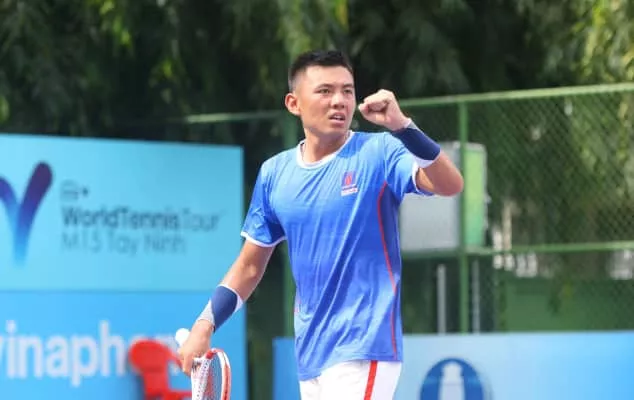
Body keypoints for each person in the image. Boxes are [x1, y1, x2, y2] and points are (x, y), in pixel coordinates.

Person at [178, 49, 464, 399]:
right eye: (325, 91)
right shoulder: (275, 174)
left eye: (347, 91)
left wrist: (403, 127)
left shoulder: (380, 152)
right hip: (311, 356)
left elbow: (450, 184)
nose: (339, 101)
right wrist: (205, 324)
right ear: (294, 103)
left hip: (364, 346)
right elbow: (250, 267)